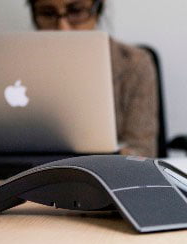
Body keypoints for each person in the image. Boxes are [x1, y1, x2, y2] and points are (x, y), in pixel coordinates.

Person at [27, 0, 159, 157]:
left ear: (97, 10)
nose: (63, 28)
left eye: (76, 11)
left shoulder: (133, 63)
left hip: (104, 173)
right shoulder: (17, 62)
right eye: (48, 13)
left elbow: (143, 150)